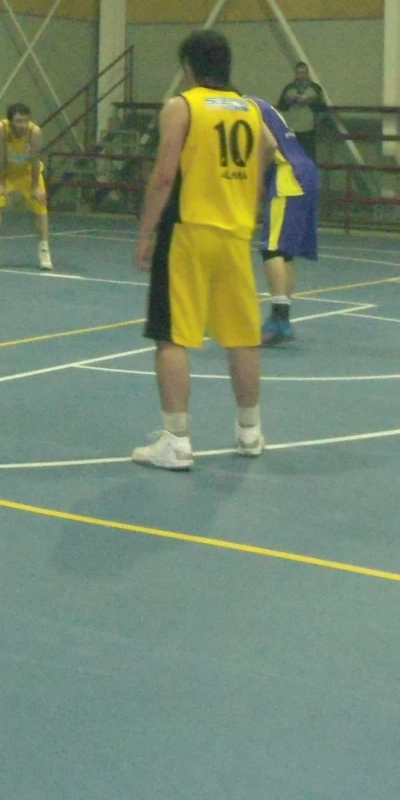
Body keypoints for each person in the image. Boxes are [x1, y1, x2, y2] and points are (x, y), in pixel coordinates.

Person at [131, 30, 269, 472]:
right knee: (242, 335)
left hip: (189, 232)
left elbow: (165, 176)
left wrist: (146, 233)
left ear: (189, 66)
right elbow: (268, 150)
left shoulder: (183, 106)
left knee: (171, 335)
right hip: (234, 234)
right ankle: (250, 432)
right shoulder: (251, 110)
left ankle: (176, 439)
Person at [253, 94, 320, 345]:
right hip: (306, 171)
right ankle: (283, 316)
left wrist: (257, 177)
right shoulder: (263, 105)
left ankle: (279, 319)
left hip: (287, 175)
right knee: (286, 251)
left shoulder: (243, 107)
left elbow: (269, 145)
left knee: (271, 248)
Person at [0, 102, 52, 271]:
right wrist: (1, 183)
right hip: (7, 173)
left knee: (40, 207)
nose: (22, 125)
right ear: (10, 121)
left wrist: (36, 186)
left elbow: (35, 159)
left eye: (26, 121)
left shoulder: (34, 132)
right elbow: (0, 156)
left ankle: (44, 250)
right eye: (19, 121)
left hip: (29, 173)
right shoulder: (1, 129)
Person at [276, 60, 332, 167]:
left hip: (309, 129)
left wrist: (312, 101)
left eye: (303, 73)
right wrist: (289, 99)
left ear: (307, 73)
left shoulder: (315, 89)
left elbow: (322, 108)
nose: (301, 76)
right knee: (292, 159)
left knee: (309, 158)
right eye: (299, 73)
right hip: (292, 128)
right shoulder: (289, 89)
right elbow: (281, 106)